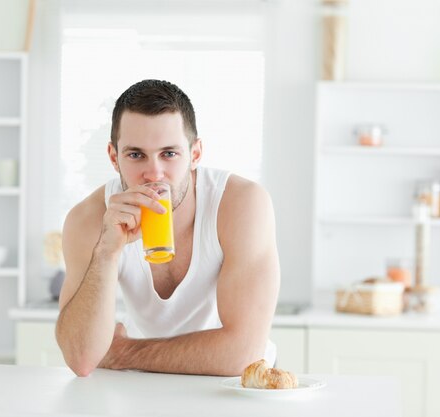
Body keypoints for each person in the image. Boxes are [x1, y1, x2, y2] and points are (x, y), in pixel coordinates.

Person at [55, 80, 280, 377]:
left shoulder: (241, 204)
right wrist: (107, 252)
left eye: (169, 154)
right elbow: (81, 358)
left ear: (195, 154)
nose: (154, 174)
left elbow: (242, 354)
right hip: (144, 383)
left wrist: (122, 352)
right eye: (136, 155)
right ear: (113, 157)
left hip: (232, 386)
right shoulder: (88, 219)